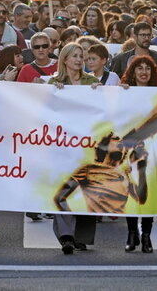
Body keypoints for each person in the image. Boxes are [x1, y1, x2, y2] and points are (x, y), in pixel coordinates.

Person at [48, 43, 100, 254]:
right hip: (62, 145)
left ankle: (82, 237)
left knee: (86, 190)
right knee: (63, 190)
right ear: (65, 60)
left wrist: (105, 92)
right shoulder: (54, 82)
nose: (79, 59)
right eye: (74, 56)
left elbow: (107, 106)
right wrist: (54, 93)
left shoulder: (92, 82)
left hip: (87, 145)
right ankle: (66, 236)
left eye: (82, 56)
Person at [118, 55, 157, 253]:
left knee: (148, 192)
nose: (144, 72)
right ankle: (131, 233)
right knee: (131, 192)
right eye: (139, 68)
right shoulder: (124, 93)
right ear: (133, 72)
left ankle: (146, 235)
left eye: (148, 68)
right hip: (129, 151)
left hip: (153, 150)